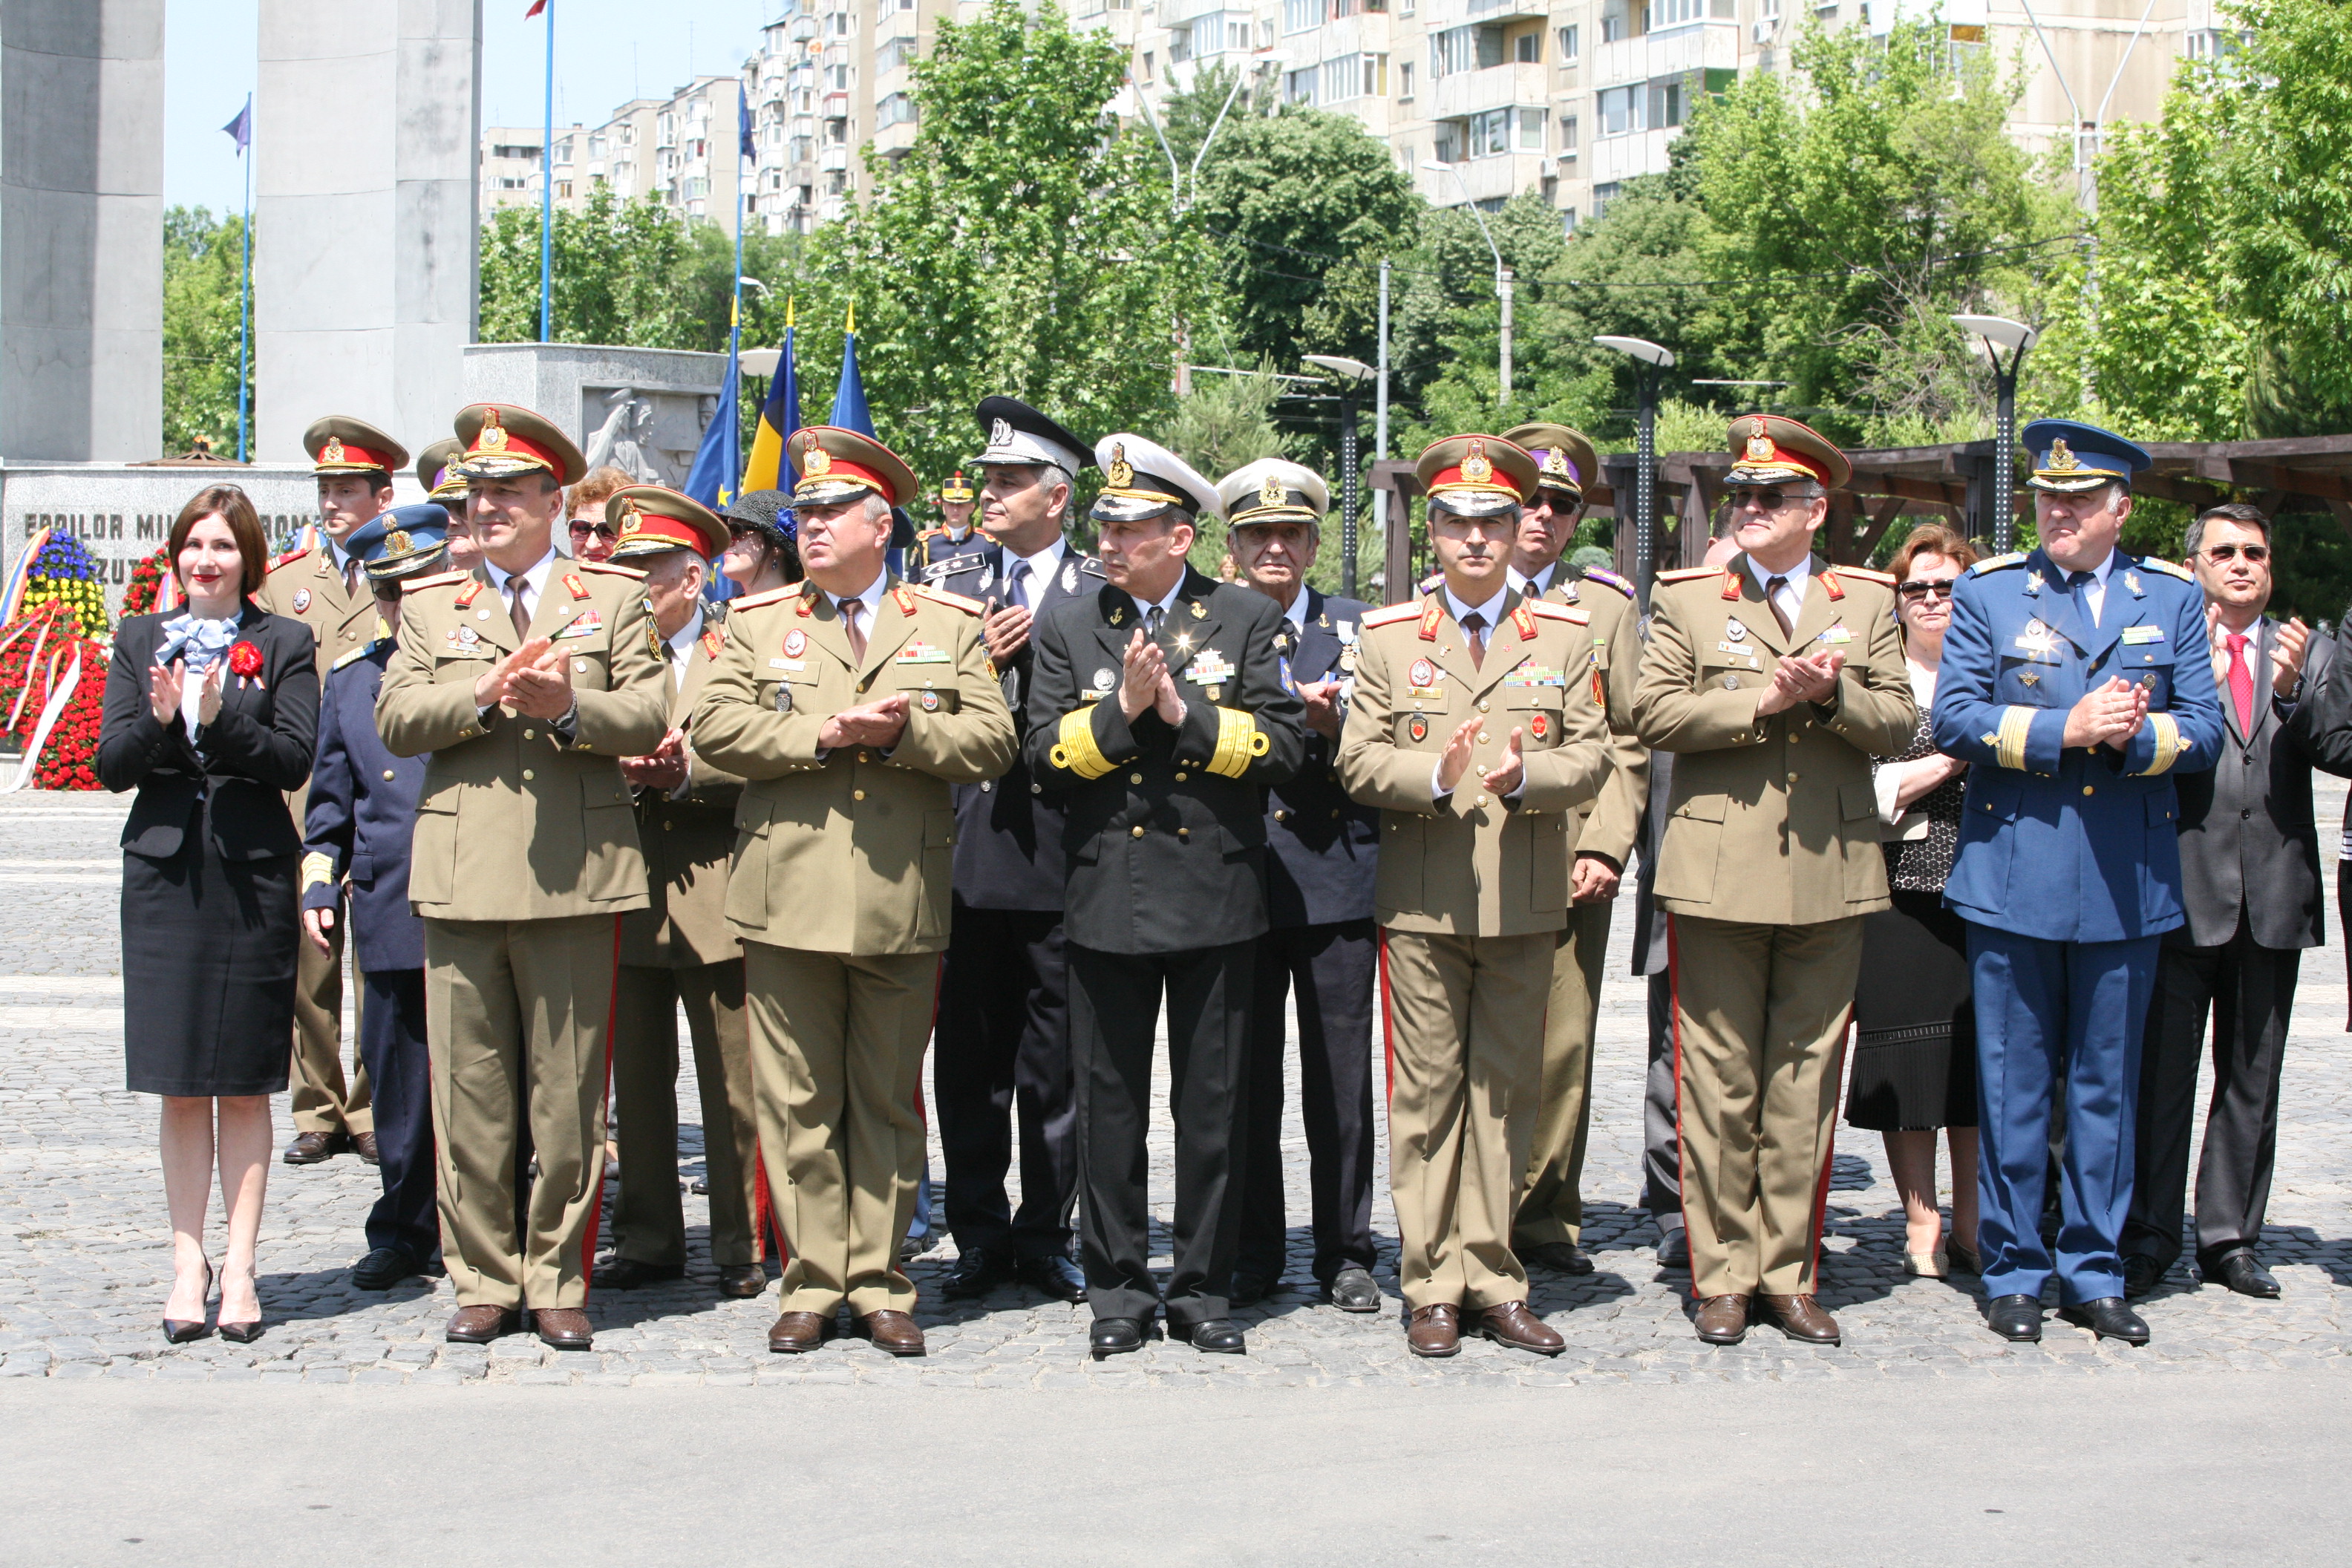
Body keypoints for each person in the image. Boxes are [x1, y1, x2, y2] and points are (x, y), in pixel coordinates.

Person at [692, 425, 1016, 1357]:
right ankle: (811, 1279)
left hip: (896, 895)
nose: (812, 525)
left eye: (832, 510)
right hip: (786, 892)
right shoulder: (754, 622)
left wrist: (902, 737)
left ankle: (879, 1281)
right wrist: (826, 736)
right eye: (805, 512)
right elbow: (715, 727)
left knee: (883, 1101)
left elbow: (992, 743)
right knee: (796, 1101)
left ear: (884, 523)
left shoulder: (945, 624)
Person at [375, 402, 672, 1351]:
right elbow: (396, 719)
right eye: (478, 493)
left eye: (509, 491)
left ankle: (557, 1276)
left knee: (570, 1094)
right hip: (463, 874)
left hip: (576, 873)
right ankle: (483, 1277)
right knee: (472, 1091)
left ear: (555, 499)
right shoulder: (432, 604)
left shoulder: (613, 597)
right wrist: (482, 693)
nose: (490, 507)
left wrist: (569, 706)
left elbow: (650, 712)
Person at [1931, 418, 2225, 1346]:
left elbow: (2205, 731)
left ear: (2120, 509)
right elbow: (1956, 719)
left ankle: (2094, 1269)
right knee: (2014, 1085)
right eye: (2048, 498)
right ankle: (2015, 1269)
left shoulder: (2170, 599)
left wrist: (2131, 736)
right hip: (2016, 873)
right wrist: (2067, 728)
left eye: (2080, 500)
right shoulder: (1991, 592)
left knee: (2106, 1088)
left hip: (2125, 882)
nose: (2058, 513)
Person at [1633, 414, 1915, 1349]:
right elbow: (1653, 712)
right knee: (1717, 1085)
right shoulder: (1687, 598)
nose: (1746, 510)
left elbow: (1901, 723)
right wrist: (1762, 699)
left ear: (1814, 509)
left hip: (1831, 873)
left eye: (1768, 497)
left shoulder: (1868, 601)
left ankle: (1787, 1274)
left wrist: (1830, 695)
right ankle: (1722, 1275)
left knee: (1803, 1086)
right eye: (1738, 496)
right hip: (1716, 874)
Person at [1028, 434, 1304, 1359]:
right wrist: (1122, 715)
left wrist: (1188, 718)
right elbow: (1041, 760)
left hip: (1217, 892)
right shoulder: (1070, 625)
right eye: (1104, 525)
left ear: (1179, 536)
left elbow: (1289, 751)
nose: (1110, 542)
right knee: (1110, 1109)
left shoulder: (1244, 619)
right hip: (1109, 891)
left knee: (1214, 1106)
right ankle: (1116, 1294)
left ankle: (1202, 1290)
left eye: (1132, 527)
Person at [1336, 435, 1611, 1359]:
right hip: (1424, 903)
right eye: (1458, 522)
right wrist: (1433, 772)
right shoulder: (1388, 637)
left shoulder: (1565, 637)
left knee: (1505, 1095)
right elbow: (1358, 760)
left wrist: (1531, 775)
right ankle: (1430, 1285)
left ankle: (1493, 1277)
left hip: (1526, 899)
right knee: (1426, 1098)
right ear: (1434, 535)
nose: (1479, 539)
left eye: (1495, 521)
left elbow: (1595, 756)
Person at [100, 484, 321, 1345]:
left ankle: (242, 1266)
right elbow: (113, 762)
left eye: (223, 546)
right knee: (181, 1079)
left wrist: (219, 716)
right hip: (163, 879)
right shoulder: (138, 640)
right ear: (176, 556)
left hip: (250, 875)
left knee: (242, 1078)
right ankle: (187, 1259)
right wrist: (163, 725)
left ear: (248, 558)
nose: (207, 561)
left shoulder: (286, 641)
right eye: (195, 545)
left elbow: (293, 757)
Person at [2123, 502, 2335, 1301]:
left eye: (2255, 552)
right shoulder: (2166, 650)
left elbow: (2337, 745)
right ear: (2198, 565)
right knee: (2162, 1079)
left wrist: (2295, 698)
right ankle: (2149, 1235)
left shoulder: (2305, 653)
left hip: (2275, 895)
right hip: (2183, 891)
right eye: (2225, 552)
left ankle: (2231, 1239)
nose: (2242, 563)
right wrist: (2195, 693)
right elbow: (2139, 753)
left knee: (2254, 1078)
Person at [926, 398, 1099, 1304]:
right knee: (970, 1063)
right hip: (965, 850)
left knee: (1056, 1064)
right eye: (986, 480)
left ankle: (1047, 1232)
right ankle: (980, 1233)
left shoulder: (1094, 589)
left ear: (1057, 496)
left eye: (1007, 481)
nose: (988, 494)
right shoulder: (948, 579)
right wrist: (979, 663)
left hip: (1061, 856)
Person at [592, 486, 767, 1301]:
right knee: (638, 1081)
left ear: (692, 578)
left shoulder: (740, 646)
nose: (628, 586)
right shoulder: (594, 649)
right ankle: (650, 1237)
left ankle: (741, 1241)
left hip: (718, 890)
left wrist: (689, 773)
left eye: (646, 572)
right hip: (623, 888)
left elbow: (773, 751)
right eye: (621, 569)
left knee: (735, 1080)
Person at [1218, 457, 1382, 1313]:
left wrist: (1340, 723)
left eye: (1290, 534)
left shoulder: (1363, 630)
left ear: (1316, 543)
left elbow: (1396, 739)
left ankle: (1346, 1252)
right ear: (1232, 546)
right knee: (1245, 1082)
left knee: (1338, 1082)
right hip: (1237, 882)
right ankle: (1252, 1253)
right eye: (1257, 535)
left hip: (1337, 881)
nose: (1274, 547)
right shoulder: (1200, 630)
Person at [1499, 421, 1646, 1277]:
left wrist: (1608, 847)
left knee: (1562, 1044)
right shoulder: (1453, 590)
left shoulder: (1605, 606)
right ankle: (1474, 1207)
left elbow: (1629, 736)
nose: (1542, 517)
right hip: (1474, 853)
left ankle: (1547, 1215)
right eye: (1529, 500)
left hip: (1570, 856)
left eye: (1561, 504)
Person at [300, 504, 451, 1290]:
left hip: (475, 894)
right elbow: (331, 798)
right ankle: (402, 1223)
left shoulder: (476, 668)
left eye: (422, 584)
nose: (406, 604)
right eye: (392, 592)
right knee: (398, 1076)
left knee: (488, 1075)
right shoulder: (355, 676)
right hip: (392, 895)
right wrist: (320, 880)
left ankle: (496, 1223)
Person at [258, 416, 405, 1168]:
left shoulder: (408, 572)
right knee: (309, 955)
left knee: (378, 958)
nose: (333, 501)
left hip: (381, 791)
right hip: (308, 794)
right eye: (325, 488)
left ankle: (372, 1103)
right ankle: (315, 1104)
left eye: (348, 488)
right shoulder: (287, 585)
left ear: (384, 494)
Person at [1850, 524, 1982, 1278]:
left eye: (1950, 588)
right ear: (1897, 602)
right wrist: (1949, 761)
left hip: (1987, 894)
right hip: (1897, 890)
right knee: (1906, 1062)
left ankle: (1972, 1219)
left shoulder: (2000, 673)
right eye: (1918, 588)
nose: (1933, 600)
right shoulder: (1882, 683)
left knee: (1973, 1067)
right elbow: (1863, 792)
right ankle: (1921, 1222)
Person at [1618, 528, 1745, 1270]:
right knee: (1675, 1051)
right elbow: (1638, 760)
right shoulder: (1669, 655)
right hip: (1677, 882)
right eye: (1721, 580)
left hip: (1763, 882)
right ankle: (1671, 1198)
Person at [907, 468, 985, 576]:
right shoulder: (927, 543)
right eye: (951, 505)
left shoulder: (986, 542)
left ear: (971, 507)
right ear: (943, 507)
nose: (955, 510)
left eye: (960, 505)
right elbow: (915, 582)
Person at [719, 491, 800, 593]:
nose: (729, 542)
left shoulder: (812, 607)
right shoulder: (718, 609)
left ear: (776, 545)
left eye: (738, 531)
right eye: (727, 532)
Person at [565, 466, 636, 564]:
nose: (592, 545)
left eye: (607, 532)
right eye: (581, 529)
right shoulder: (550, 577)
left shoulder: (649, 578)